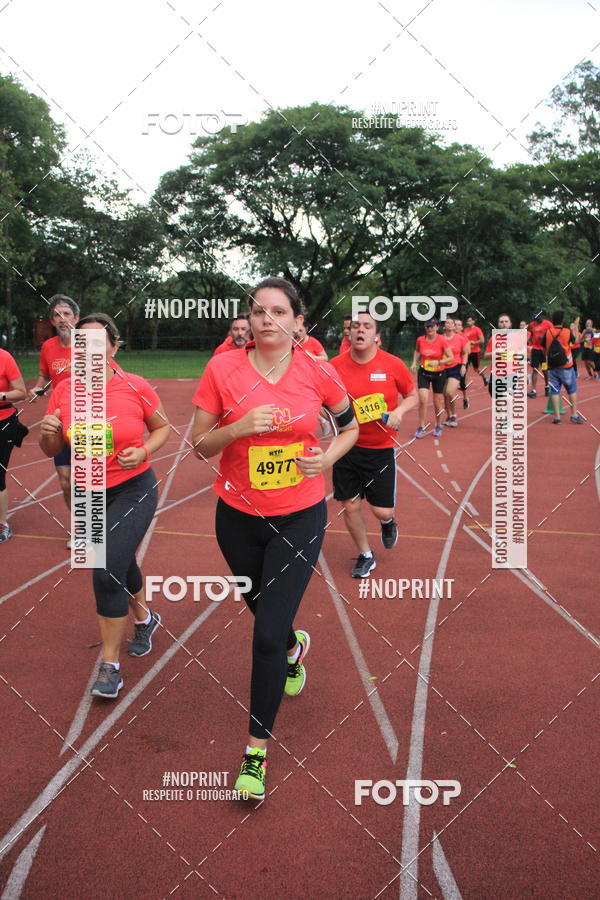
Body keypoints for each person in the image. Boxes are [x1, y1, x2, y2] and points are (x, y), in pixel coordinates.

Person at [191, 276, 358, 801]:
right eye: (259, 311)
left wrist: (326, 459)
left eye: (279, 311)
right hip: (237, 517)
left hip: (299, 516)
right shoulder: (223, 368)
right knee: (266, 613)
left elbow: (351, 426)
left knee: (264, 635)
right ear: (248, 319)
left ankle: (255, 754)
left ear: (297, 321)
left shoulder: (317, 369)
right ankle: (294, 645)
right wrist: (238, 428)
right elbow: (199, 445)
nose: (267, 319)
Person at [39, 313, 171, 698]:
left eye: (97, 342)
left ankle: (110, 667)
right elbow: (52, 448)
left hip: (133, 488)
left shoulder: (136, 386)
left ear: (113, 347)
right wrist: (48, 434)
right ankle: (145, 618)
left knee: (105, 568)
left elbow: (162, 427)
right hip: (88, 492)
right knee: (120, 561)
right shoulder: (64, 391)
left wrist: (144, 450)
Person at [329, 311, 416, 577]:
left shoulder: (392, 364)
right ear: (349, 333)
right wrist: (327, 415)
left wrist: (399, 412)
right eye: (356, 326)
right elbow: (322, 398)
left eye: (367, 326)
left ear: (376, 336)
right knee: (350, 504)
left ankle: (388, 522)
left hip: (379, 448)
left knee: (381, 510)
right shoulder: (334, 366)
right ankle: (365, 555)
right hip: (346, 445)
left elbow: (412, 395)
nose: (360, 330)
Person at [30, 295, 80, 543]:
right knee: (66, 481)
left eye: (66, 314)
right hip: (59, 420)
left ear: (76, 318)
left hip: (87, 420)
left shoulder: (90, 345)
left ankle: (101, 525)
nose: (62, 319)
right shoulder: (48, 347)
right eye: (57, 315)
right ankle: (80, 528)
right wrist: (38, 388)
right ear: (51, 321)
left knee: (92, 480)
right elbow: (44, 375)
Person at [0, 350, 27, 542]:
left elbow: (21, 392)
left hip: (3, 422)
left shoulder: (4, 357)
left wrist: (1, 395)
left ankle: (2, 524)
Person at [410, 319, 453, 438]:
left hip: (438, 374)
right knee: (423, 399)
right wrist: (414, 362)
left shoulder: (442, 340)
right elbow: (417, 351)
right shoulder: (420, 340)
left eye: (432, 326)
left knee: (437, 402)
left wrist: (438, 362)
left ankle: (438, 425)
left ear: (437, 327)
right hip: (424, 372)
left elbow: (451, 358)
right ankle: (421, 427)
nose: (430, 329)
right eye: (428, 326)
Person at [543, 310, 586, 424]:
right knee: (572, 390)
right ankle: (574, 415)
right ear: (562, 320)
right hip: (566, 366)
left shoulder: (548, 332)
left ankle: (557, 417)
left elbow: (544, 348)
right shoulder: (566, 332)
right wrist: (576, 325)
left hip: (552, 367)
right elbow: (576, 341)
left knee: (555, 391)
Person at [441, 317, 469, 426]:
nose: (449, 324)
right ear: (444, 326)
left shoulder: (460, 338)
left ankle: (453, 415)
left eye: (451, 323)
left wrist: (464, 365)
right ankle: (449, 415)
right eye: (446, 323)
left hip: (456, 367)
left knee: (450, 392)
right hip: (442, 368)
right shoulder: (440, 338)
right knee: (444, 394)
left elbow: (465, 353)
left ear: (453, 326)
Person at [527, 309, 552, 397]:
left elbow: (553, 335)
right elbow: (531, 334)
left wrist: (544, 338)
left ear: (541, 316)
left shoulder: (548, 324)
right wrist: (529, 340)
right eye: (535, 318)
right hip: (535, 350)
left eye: (537, 318)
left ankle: (547, 387)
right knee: (535, 369)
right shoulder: (531, 325)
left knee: (545, 369)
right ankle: (533, 390)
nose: (536, 320)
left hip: (544, 351)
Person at [463, 315, 487, 387]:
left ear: (473, 321)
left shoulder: (477, 329)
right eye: (467, 321)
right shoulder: (465, 330)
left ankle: (484, 377)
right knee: (465, 368)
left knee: (476, 369)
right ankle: (463, 384)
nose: (468, 322)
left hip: (475, 352)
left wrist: (474, 342)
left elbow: (482, 340)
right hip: (467, 352)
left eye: (470, 320)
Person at [453, 318, 471, 408]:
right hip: (451, 363)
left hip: (462, 362)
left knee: (462, 382)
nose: (457, 326)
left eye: (459, 325)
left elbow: (468, 351)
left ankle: (465, 398)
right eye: (455, 324)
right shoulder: (449, 336)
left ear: (461, 328)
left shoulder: (464, 337)